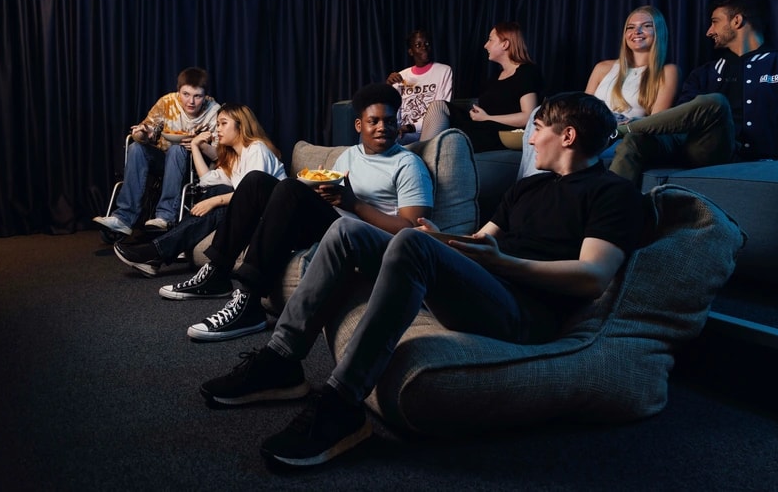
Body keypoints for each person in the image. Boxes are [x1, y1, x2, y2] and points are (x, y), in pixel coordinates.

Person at [199, 92, 644, 467]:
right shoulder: (527, 187)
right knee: (347, 229)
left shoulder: (612, 193)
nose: (531, 136)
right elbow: (477, 242)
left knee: (411, 242)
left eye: (540, 127)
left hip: (526, 314)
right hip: (487, 286)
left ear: (568, 136)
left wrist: (503, 263)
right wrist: (442, 239)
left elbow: (592, 276)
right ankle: (281, 358)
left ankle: (342, 406)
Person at [158, 83, 434, 342]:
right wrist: (319, 198)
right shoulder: (349, 156)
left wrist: (355, 204)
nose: (383, 127)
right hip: (332, 225)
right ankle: (217, 273)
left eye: (389, 121)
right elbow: (330, 198)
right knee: (255, 182)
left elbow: (411, 229)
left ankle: (248, 302)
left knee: (289, 189)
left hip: (362, 239)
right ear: (359, 125)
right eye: (374, 121)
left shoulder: (408, 164)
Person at [609, 0, 778, 188]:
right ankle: (607, 211)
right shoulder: (704, 73)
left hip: (754, 156)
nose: (709, 31)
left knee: (714, 102)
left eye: (714, 21)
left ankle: (622, 130)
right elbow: (680, 121)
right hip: (703, 149)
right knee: (635, 141)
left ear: (737, 21)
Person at [111, 103, 286, 275]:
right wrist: (195, 146)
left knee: (218, 200)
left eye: (223, 123)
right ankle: (158, 252)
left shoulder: (256, 149)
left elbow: (252, 195)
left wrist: (214, 202)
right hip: (251, 213)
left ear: (241, 126)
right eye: (217, 124)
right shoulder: (235, 159)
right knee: (217, 190)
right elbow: (207, 180)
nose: (218, 129)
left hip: (270, 217)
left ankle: (154, 252)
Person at [517, 6, 680, 177]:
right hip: (587, 128)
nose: (637, 31)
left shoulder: (668, 71)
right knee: (541, 113)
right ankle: (529, 188)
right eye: (630, 27)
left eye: (647, 26)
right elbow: (580, 107)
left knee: (562, 144)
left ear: (659, 32)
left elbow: (657, 120)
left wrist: (619, 123)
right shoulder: (603, 67)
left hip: (620, 136)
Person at [93, 67, 220, 237]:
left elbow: (220, 154)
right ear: (178, 91)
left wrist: (200, 145)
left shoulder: (213, 110)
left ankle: (164, 216)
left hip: (194, 167)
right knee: (136, 148)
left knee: (177, 149)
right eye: (186, 94)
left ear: (205, 96)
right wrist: (143, 133)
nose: (191, 101)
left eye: (197, 96)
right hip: (164, 160)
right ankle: (123, 218)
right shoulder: (167, 102)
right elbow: (141, 133)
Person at [419, 21, 543, 151]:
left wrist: (487, 118)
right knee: (439, 106)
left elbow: (528, 115)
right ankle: (420, 154)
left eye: (490, 40)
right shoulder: (495, 77)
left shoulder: (527, 72)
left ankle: (418, 155)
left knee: (448, 135)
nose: (485, 45)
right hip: (481, 126)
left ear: (505, 44)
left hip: (501, 133)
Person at [385, 29, 453, 144]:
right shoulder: (401, 76)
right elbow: (389, 110)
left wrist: (410, 127)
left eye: (427, 44)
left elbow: (441, 110)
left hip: (428, 131)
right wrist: (388, 87)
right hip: (401, 134)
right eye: (418, 45)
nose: (424, 48)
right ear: (411, 52)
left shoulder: (443, 71)